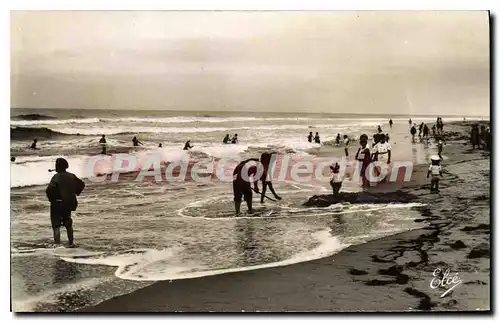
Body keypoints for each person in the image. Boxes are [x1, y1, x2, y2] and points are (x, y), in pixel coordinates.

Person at [45, 158, 85, 247]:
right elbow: (82, 184)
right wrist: (75, 192)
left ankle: (57, 245)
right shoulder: (72, 176)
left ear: (57, 166)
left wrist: (52, 199)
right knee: (68, 224)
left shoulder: (56, 177)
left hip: (57, 204)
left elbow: (49, 190)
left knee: (56, 226)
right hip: (68, 203)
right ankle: (71, 243)